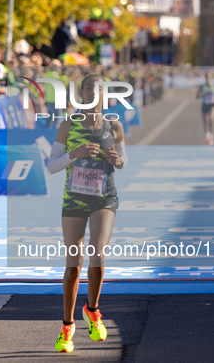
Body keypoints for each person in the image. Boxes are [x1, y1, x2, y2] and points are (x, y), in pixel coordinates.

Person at [47, 73, 128, 353]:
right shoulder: (69, 124)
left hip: (104, 197)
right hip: (75, 199)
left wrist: (116, 159)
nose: (94, 94)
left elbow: (123, 160)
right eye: (89, 89)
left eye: (99, 90)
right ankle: (67, 327)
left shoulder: (114, 125)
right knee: (73, 266)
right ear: (82, 94)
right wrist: (75, 153)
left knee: (97, 254)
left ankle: (92, 310)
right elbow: (51, 165)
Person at [196, 72, 214, 145]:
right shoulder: (202, 86)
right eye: (206, 77)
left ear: (211, 77)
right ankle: (207, 136)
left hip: (212, 104)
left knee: (211, 118)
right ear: (205, 78)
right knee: (205, 121)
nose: (208, 79)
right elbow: (197, 96)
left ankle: (211, 135)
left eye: (209, 77)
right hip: (205, 104)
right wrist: (204, 94)